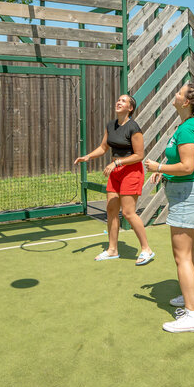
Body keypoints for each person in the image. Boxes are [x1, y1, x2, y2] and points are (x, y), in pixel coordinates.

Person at [144, 83, 194, 333]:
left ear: (186, 102)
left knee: (181, 255)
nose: (175, 94)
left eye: (179, 93)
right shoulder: (188, 126)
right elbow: (181, 164)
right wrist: (165, 174)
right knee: (188, 251)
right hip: (187, 192)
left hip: (188, 194)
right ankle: (193, 294)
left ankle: (192, 316)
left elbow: (187, 167)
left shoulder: (188, 128)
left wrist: (158, 168)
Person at [73, 93, 156, 265]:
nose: (119, 102)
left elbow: (139, 155)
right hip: (116, 172)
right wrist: (88, 156)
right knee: (111, 210)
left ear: (130, 108)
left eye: (123, 101)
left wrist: (117, 162)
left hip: (131, 172)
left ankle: (146, 249)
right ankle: (112, 250)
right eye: (118, 99)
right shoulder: (111, 125)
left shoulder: (134, 128)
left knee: (128, 212)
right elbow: (104, 147)